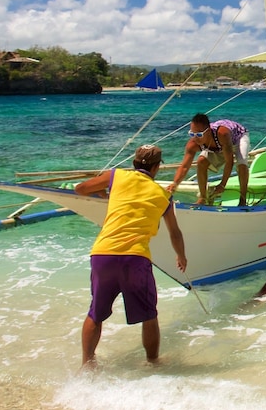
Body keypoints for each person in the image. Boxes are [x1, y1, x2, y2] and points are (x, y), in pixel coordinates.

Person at [74, 144, 187, 371]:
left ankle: (87, 365)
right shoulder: (163, 196)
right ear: (156, 167)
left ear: (134, 162)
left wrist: (104, 193)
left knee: (96, 313)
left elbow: (80, 189)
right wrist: (181, 256)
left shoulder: (117, 176)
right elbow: (174, 232)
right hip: (135, 259)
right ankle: (153, 363)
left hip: (102, 254)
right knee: (149, 315)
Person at [168, 113, 250, 206]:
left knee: (242, 164)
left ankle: (243, 199)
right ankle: (203, 198)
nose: (195, 138)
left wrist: (222, 184)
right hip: (218, 146)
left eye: (199, 134)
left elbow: (229, 162)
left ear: (208, 131)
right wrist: (175, 184)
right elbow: (184, 167)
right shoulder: (193, 144)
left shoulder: (222, 134)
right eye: (192, 133)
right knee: (201, 161)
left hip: (237, 138)